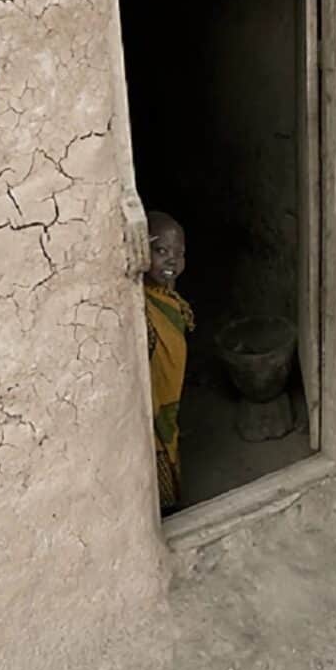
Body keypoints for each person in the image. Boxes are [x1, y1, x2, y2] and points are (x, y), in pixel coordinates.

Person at [144, 210, 194, 516]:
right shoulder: (142, 305)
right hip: (151, 401)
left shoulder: (168, 300)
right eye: (161, 251)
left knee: (168, 429)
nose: (172, 261)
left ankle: (172, 501)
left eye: (179, 253)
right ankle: (164, 509)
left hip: (167, 399)